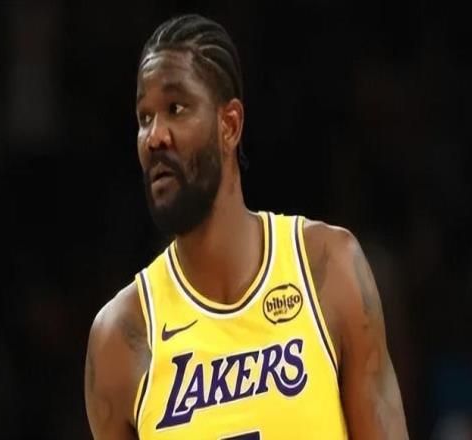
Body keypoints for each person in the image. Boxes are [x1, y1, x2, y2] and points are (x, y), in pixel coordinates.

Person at [84, 14, 409, 440]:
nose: (155, 136)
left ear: (230, 125)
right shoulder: (120, 337)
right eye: (144, 117)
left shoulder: (329, 269)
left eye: (175, 109)